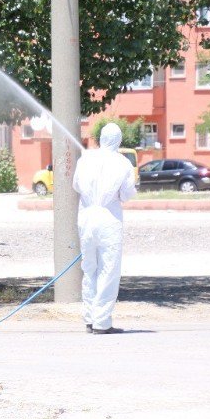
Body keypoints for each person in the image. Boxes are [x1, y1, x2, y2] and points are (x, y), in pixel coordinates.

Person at [73, 122, 136, 334]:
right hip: (109, 219)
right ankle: (102, 322)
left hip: (86, 217)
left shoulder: (86, 158)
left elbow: (76, 185)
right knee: (109, 270)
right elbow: (127, 194)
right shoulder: (123, 163)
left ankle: (90, 317)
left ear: (100, 138)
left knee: (89, 267)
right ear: (118, 140)